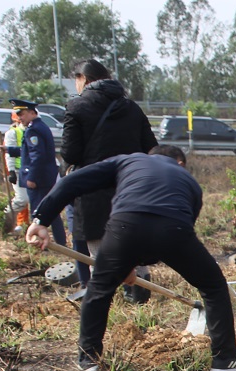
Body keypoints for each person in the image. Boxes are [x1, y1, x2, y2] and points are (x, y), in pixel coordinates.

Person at [25, 146, 236, 371]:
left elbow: (72, 181)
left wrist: (41, 218)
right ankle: (224, 358)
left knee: (99, 287)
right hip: (174, 228)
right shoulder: (189, 181)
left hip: (124, 225)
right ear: (180, 163)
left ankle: (88, 359)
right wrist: (134, 263)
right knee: (212, 285)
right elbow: (172, 235)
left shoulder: (126, 161)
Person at [61, 59, 159, 295]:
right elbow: (152, 148)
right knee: (131, 241)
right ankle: (139, 292)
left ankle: (104, 300)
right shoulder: (131, 108)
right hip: (130, 185)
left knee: (99, 250)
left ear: (82, 79)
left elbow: (70, 153)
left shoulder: (77, 107)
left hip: (92, 187)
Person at [9, 99, 65, 249]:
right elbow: (29, 151)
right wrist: (9, 150)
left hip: (38, 179)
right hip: (46, 176)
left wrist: (32, 177)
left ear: (32, 113)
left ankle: (39, 244)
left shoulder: (33, 129)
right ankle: (61, 243)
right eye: (18, 114)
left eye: (22, 114)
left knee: (38, 213)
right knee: (51, 211)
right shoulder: (40, 127)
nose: (20, 117)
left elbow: (37, 155)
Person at [1, 113, 29, 234]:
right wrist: (11, 171)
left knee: (30, 201)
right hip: (18, 171)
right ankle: (5, 220)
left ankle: (23, 226)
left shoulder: (31, 130)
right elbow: (9, 154)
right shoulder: (12, 133)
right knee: (22, 199)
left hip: (30, 170)